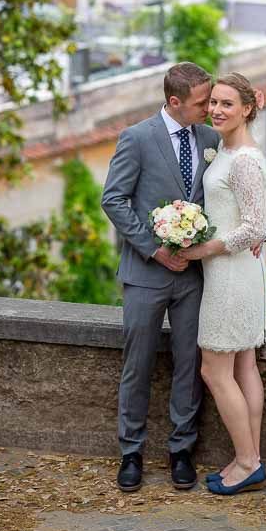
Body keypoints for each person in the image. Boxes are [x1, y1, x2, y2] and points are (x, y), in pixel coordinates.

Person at [101, 62, 218, 493]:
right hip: (145, 273)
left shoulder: (210, 139)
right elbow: (113, 201)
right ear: (174, 102)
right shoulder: (137, 137)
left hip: (193, 276)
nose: (208, 109)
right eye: (201, 102)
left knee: (189, 363)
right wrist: (154, 249)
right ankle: (130, 453)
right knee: (139, 364)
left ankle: (181, 451)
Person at [177, 72, 266, 496]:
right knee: (243, 365)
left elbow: (254, 226)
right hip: (235, 272)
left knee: (215, 370)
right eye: (212, 102)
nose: (215, 110)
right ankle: (248, 456)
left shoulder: (245, 159)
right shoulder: (229, 151)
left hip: (231, 276)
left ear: (248, 108)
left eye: (226, 104)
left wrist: (204, 250)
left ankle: (249, 462)